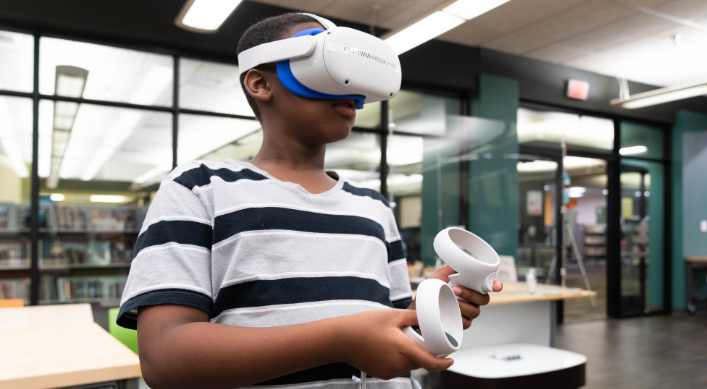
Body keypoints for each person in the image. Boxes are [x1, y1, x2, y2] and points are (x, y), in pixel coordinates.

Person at [116, 12, 502, 389]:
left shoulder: (374, 207)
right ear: (260, 83)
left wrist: (431, 315)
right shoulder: (200, 189)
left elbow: (396, 334)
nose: (348, 87)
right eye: (323, 61)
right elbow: (165, 360)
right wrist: (341, 339)